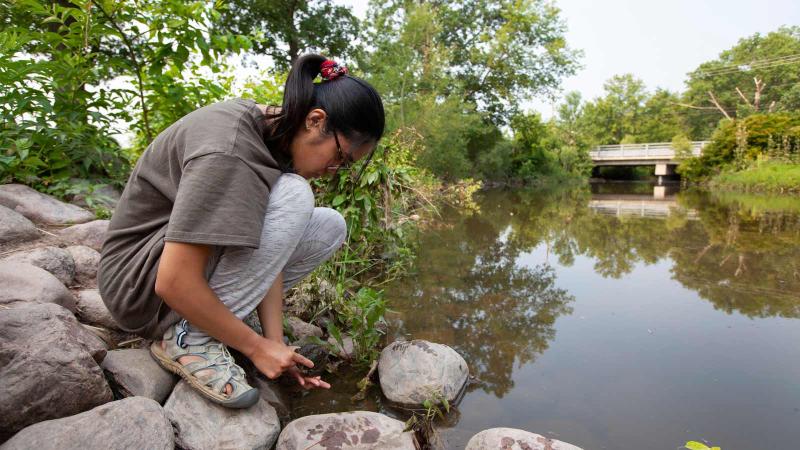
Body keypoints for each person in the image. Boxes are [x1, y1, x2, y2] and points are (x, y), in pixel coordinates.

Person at [98, 54, 385, 409]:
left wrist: (275, 344)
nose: (334, 170)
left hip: (172, 265)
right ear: (315, 120)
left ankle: (219, 318)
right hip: (138, 283)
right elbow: (172, 281)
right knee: (296, 195)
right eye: (340, 157)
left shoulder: (276, 136)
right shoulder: (231, 150)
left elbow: (270, 250)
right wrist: (254, 347)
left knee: (329, 225)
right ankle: (191, 336)